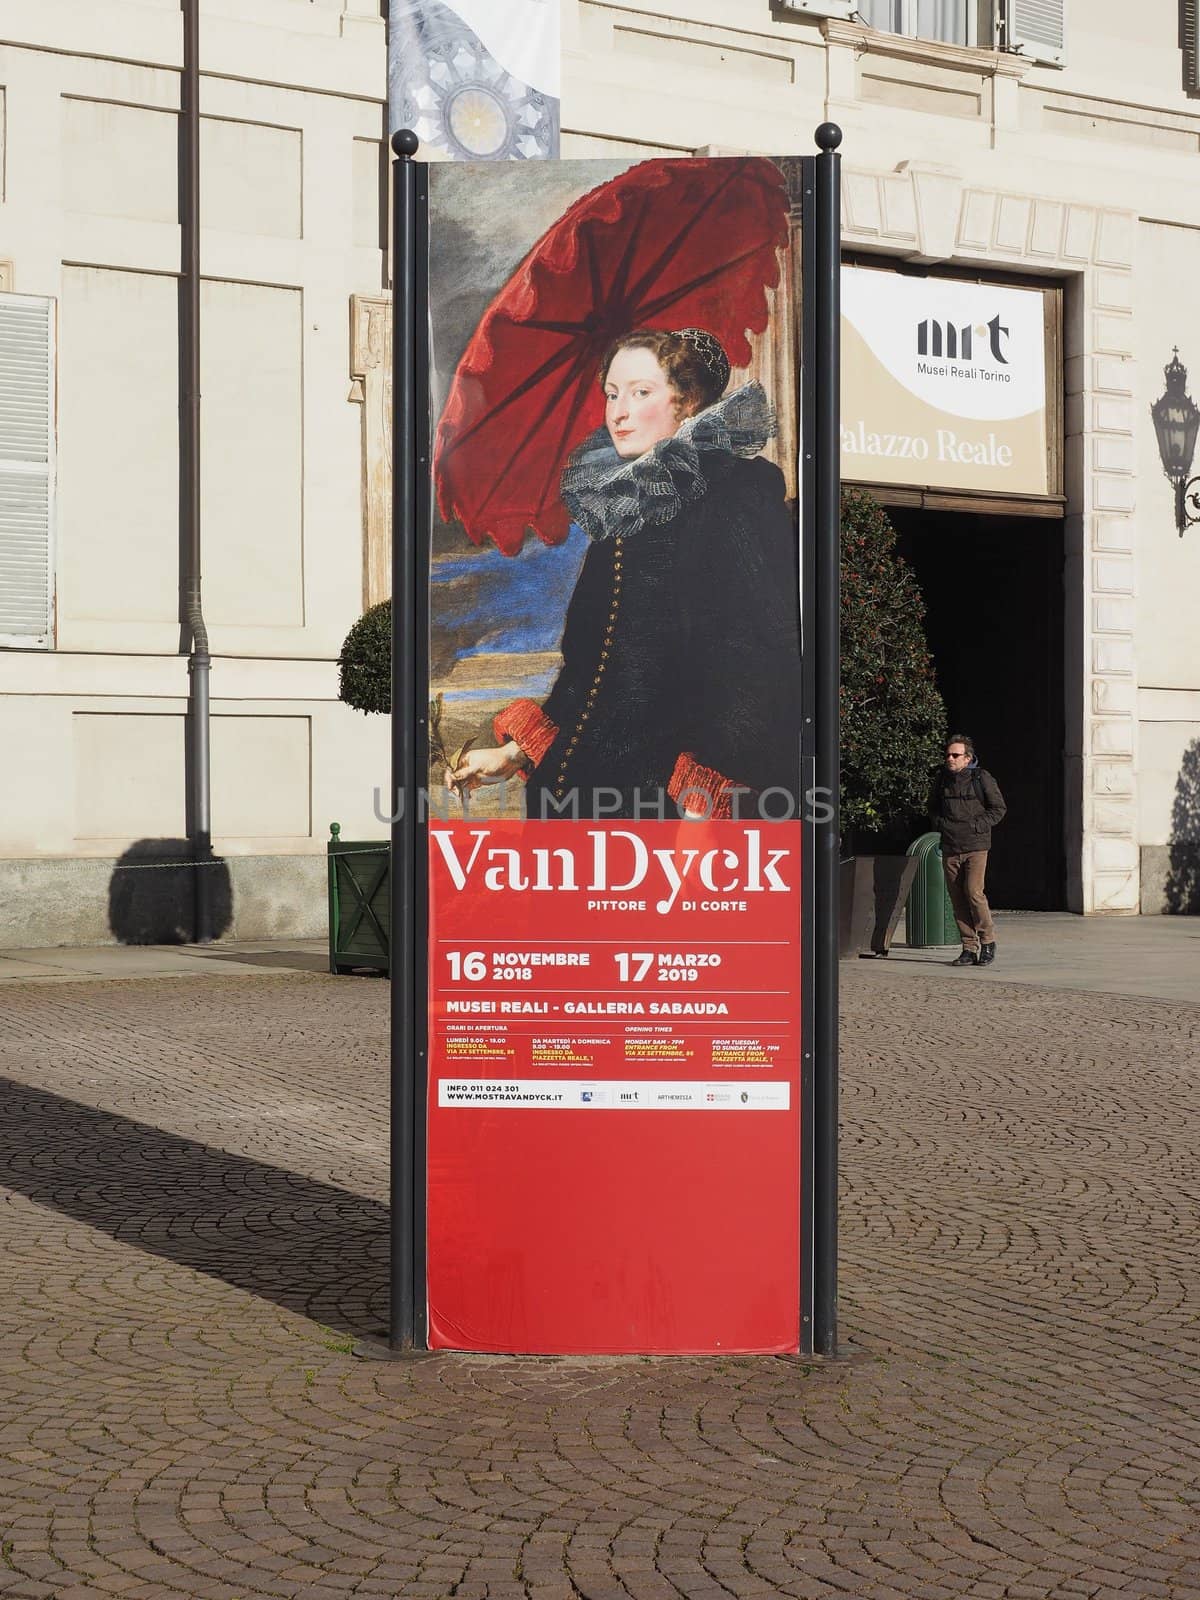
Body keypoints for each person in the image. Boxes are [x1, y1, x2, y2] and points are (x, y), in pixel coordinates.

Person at [448, 327, 801, 819]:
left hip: (665, 805)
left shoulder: (735, 493)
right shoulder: (622, 507)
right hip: (576, 793)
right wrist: (513, 754)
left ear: (689, 401)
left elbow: (759, 658)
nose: (618, 412)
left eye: (640, 393)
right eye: (612, 394)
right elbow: (588, 670)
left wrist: (711, 790)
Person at [929, 734, 1007, 967]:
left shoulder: (981, 778)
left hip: (976, 846)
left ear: (967, 758)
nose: (950, 759)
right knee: (957, 898)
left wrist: (977, 826)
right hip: (951, 846)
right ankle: (968, 948)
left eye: (955, 755)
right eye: (948, 755)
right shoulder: (941, 779)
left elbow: (998, 808)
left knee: (973, 892)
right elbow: (932, 808)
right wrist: (941, 825)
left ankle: (988, 941)